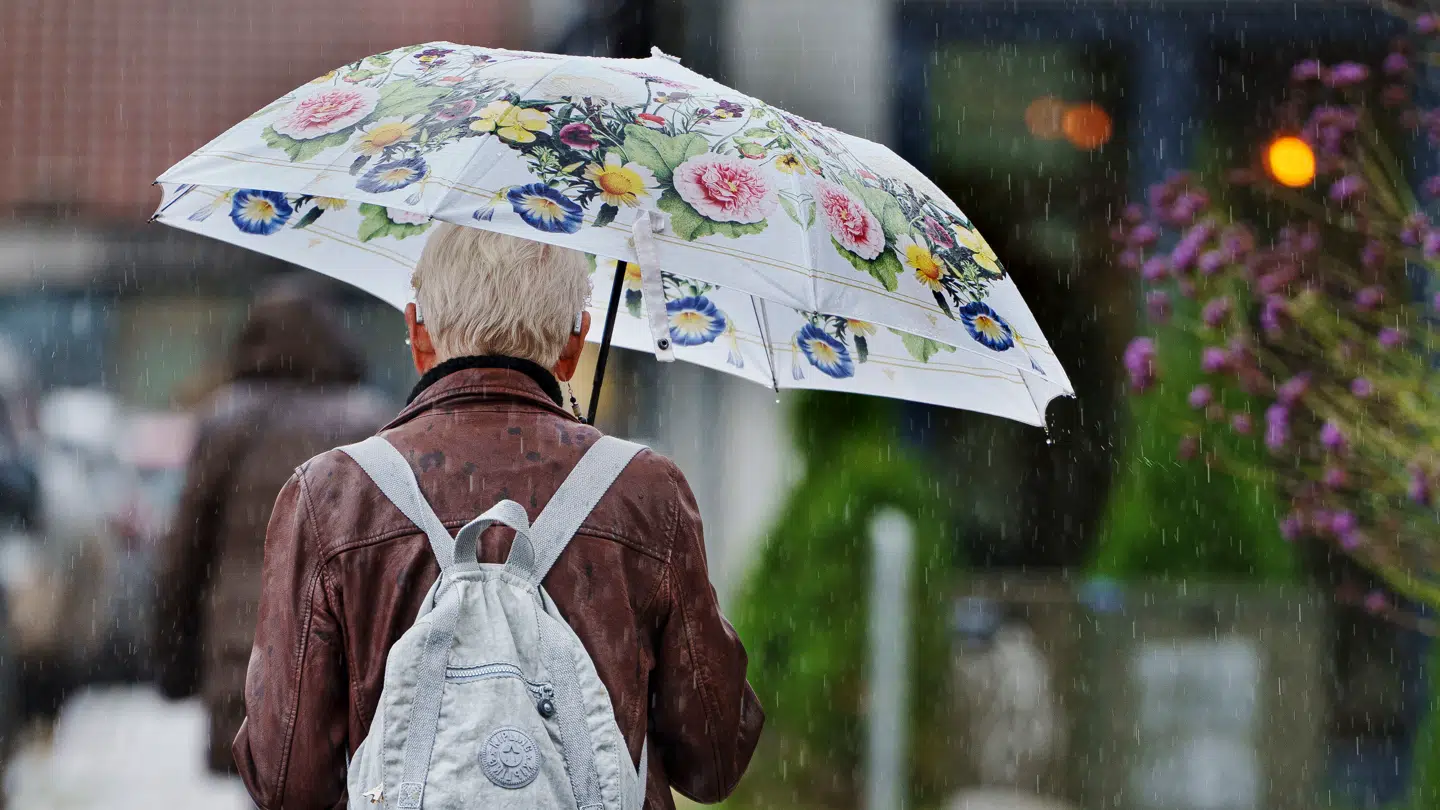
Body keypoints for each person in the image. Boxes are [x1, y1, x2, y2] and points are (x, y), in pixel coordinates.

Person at [233, 226, 764, 809]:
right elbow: (712, 758)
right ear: (574, 345)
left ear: (417, 333)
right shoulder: (645, 492)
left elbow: (286, 781)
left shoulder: (331, 495)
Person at [152, 276, 392, 779]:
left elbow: (184, 554)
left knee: (262, 779)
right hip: (342, 658)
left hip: (246, 658)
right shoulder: (367, 422)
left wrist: (173, 660)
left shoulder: (226, 421)